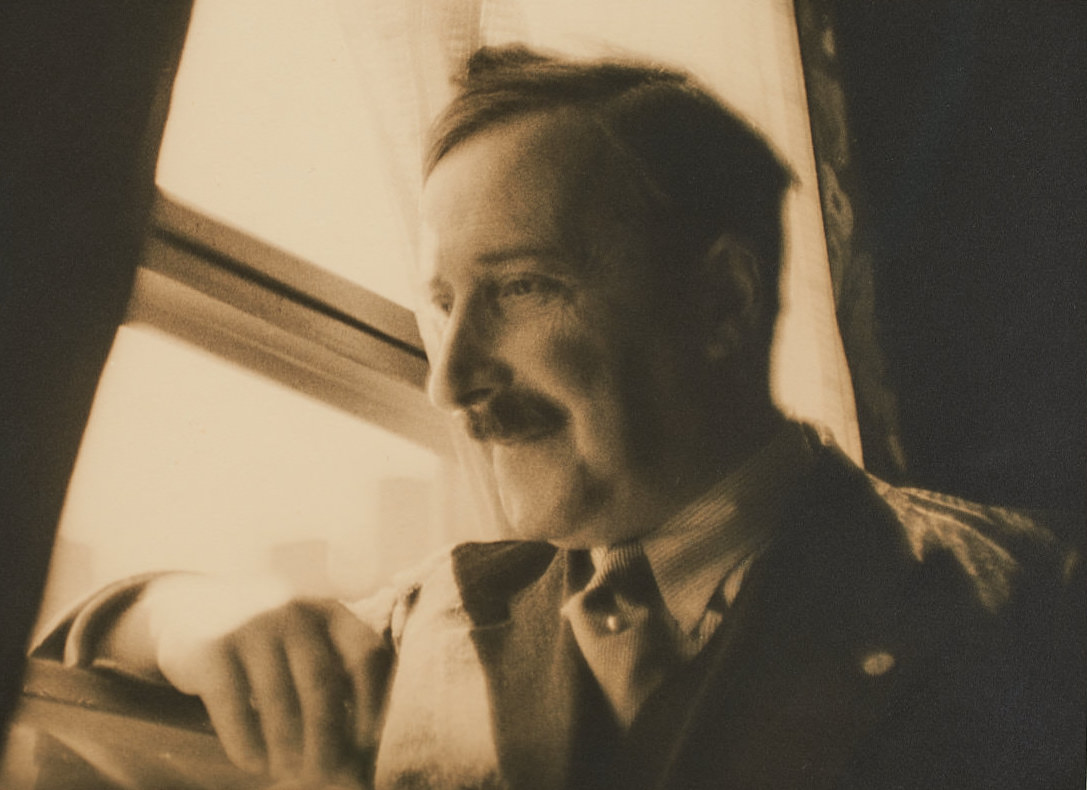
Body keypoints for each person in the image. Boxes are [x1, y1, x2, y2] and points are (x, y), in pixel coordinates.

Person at [38, 46, 1084, 789]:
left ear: (720, 304)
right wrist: (185, 612)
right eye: (443, 304)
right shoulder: (441, 611)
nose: (450, 382)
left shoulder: (1028, 597)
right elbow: (87, 659)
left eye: (522, 287)